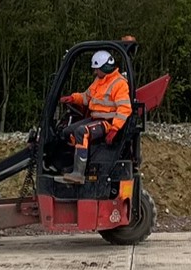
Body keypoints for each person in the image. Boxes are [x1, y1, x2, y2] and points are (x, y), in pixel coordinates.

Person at [56, 49, 133, 184]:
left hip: (108, 122)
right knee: (68, 131)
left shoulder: (119, 83)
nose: (95, 72)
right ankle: (75, 164)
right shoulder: (99, 80)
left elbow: (124, 109)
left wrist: (115, 129)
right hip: (95, 118)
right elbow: (86, 97)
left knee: (82, 132)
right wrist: (73, 98)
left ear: (105, 67)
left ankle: (79, 173)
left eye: (97, 69)